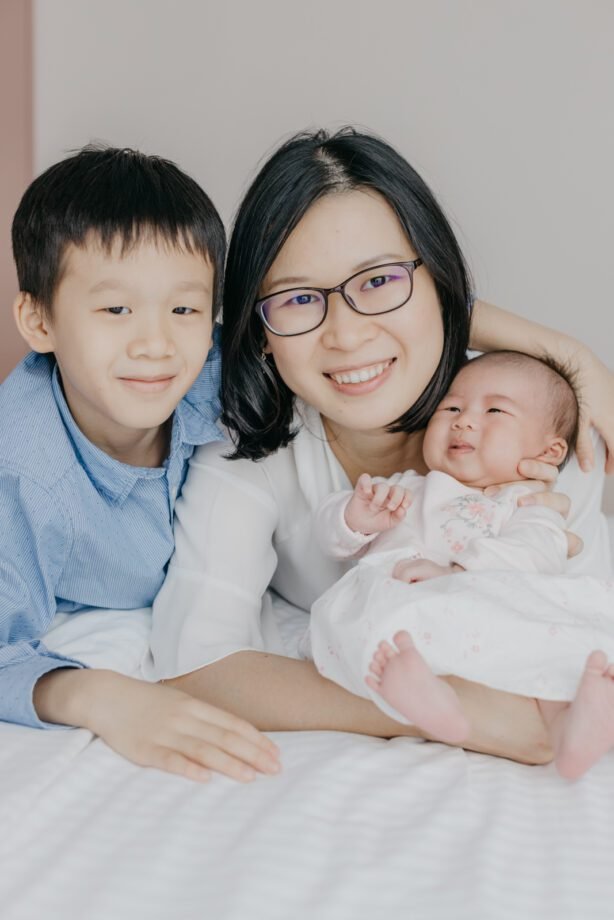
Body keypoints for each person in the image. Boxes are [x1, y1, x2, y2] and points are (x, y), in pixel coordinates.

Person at [150, 127, 614, 765]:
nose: (346, 334)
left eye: (380, 281)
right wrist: (457, 713)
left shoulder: (533, 432)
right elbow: (198, 663)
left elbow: (584, 636)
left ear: (441, 286)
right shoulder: (248, 448)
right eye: (298, 298)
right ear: (260, 331)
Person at [0, 145, 280, 784]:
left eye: (184, 310)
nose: (156, 344)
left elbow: (349, 317)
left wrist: (556, 353)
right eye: (115, 310)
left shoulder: (211, 376)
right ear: (38, 319)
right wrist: (99, 695)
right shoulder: (22, 472)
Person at [309, 349, 614, 779]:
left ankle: (569, 721)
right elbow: (328, 537)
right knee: (364, 623)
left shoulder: (528, 504)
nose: (464, 420)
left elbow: (535, 554)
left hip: (486, 610)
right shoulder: (405, 487)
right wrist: (355, 517)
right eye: (451, 406)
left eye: (494, 410)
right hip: (406, 599)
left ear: (549, 451)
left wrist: (458, 575)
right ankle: (431, 700)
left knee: (553, 626)